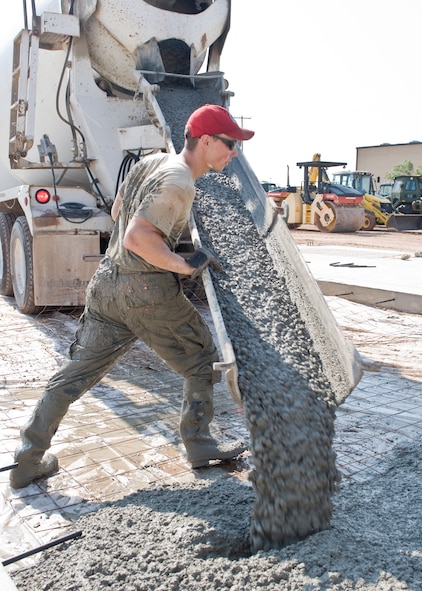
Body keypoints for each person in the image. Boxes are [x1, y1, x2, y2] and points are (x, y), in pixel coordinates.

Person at [10, 104, 255, 489]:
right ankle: (200, 443)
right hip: (147, 290)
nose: (234, 152)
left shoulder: (152, 163)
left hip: (108, 284)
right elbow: (137, 237)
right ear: (205, 141)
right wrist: (185, 263)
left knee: (75, 374)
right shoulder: (180, 182)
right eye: (229, 144)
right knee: (202, 362)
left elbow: (119, 207)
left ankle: (28, 459)